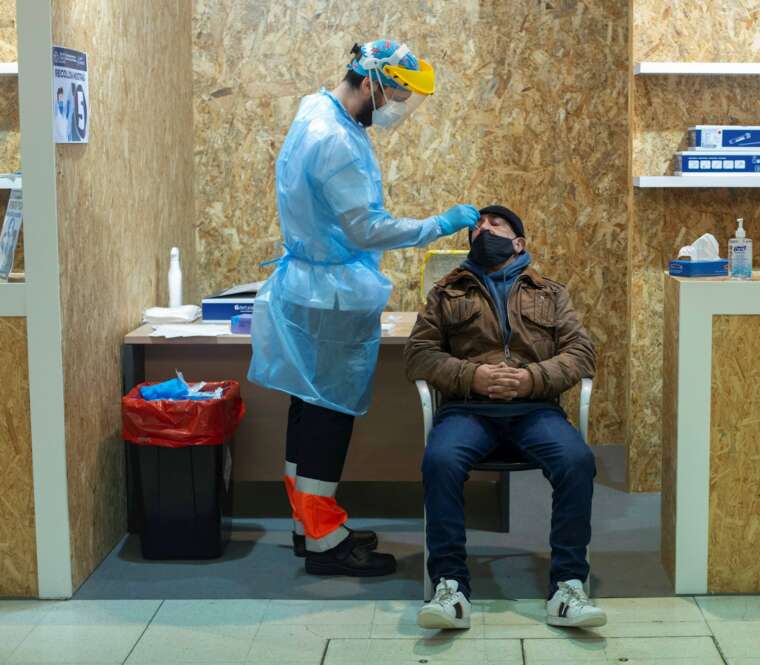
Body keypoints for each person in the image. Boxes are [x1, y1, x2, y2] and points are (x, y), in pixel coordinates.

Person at [248, 39, 480, 578]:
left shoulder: (317, 110)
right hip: (330, 296)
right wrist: (438, 225)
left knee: (308, 408)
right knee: (329, 417)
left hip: (309, 287)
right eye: (397, 93)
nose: (398, 106)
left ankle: (309, 526)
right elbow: (366, 227)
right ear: (372, 82)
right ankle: (327, 543)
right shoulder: (336, 140)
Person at [405, 206, 607, 630]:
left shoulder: (550, 293)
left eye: (494, 226)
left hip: (535, 409)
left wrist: (531, 380)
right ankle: (450, 588)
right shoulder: (447, 292)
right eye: (477, 226)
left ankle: (568, 586)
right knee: (439, 461)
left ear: (519, 243)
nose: (482, 229)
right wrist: (472, 376)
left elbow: (581, 353)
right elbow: (418, 355)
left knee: (577, 461)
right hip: (467, 410)